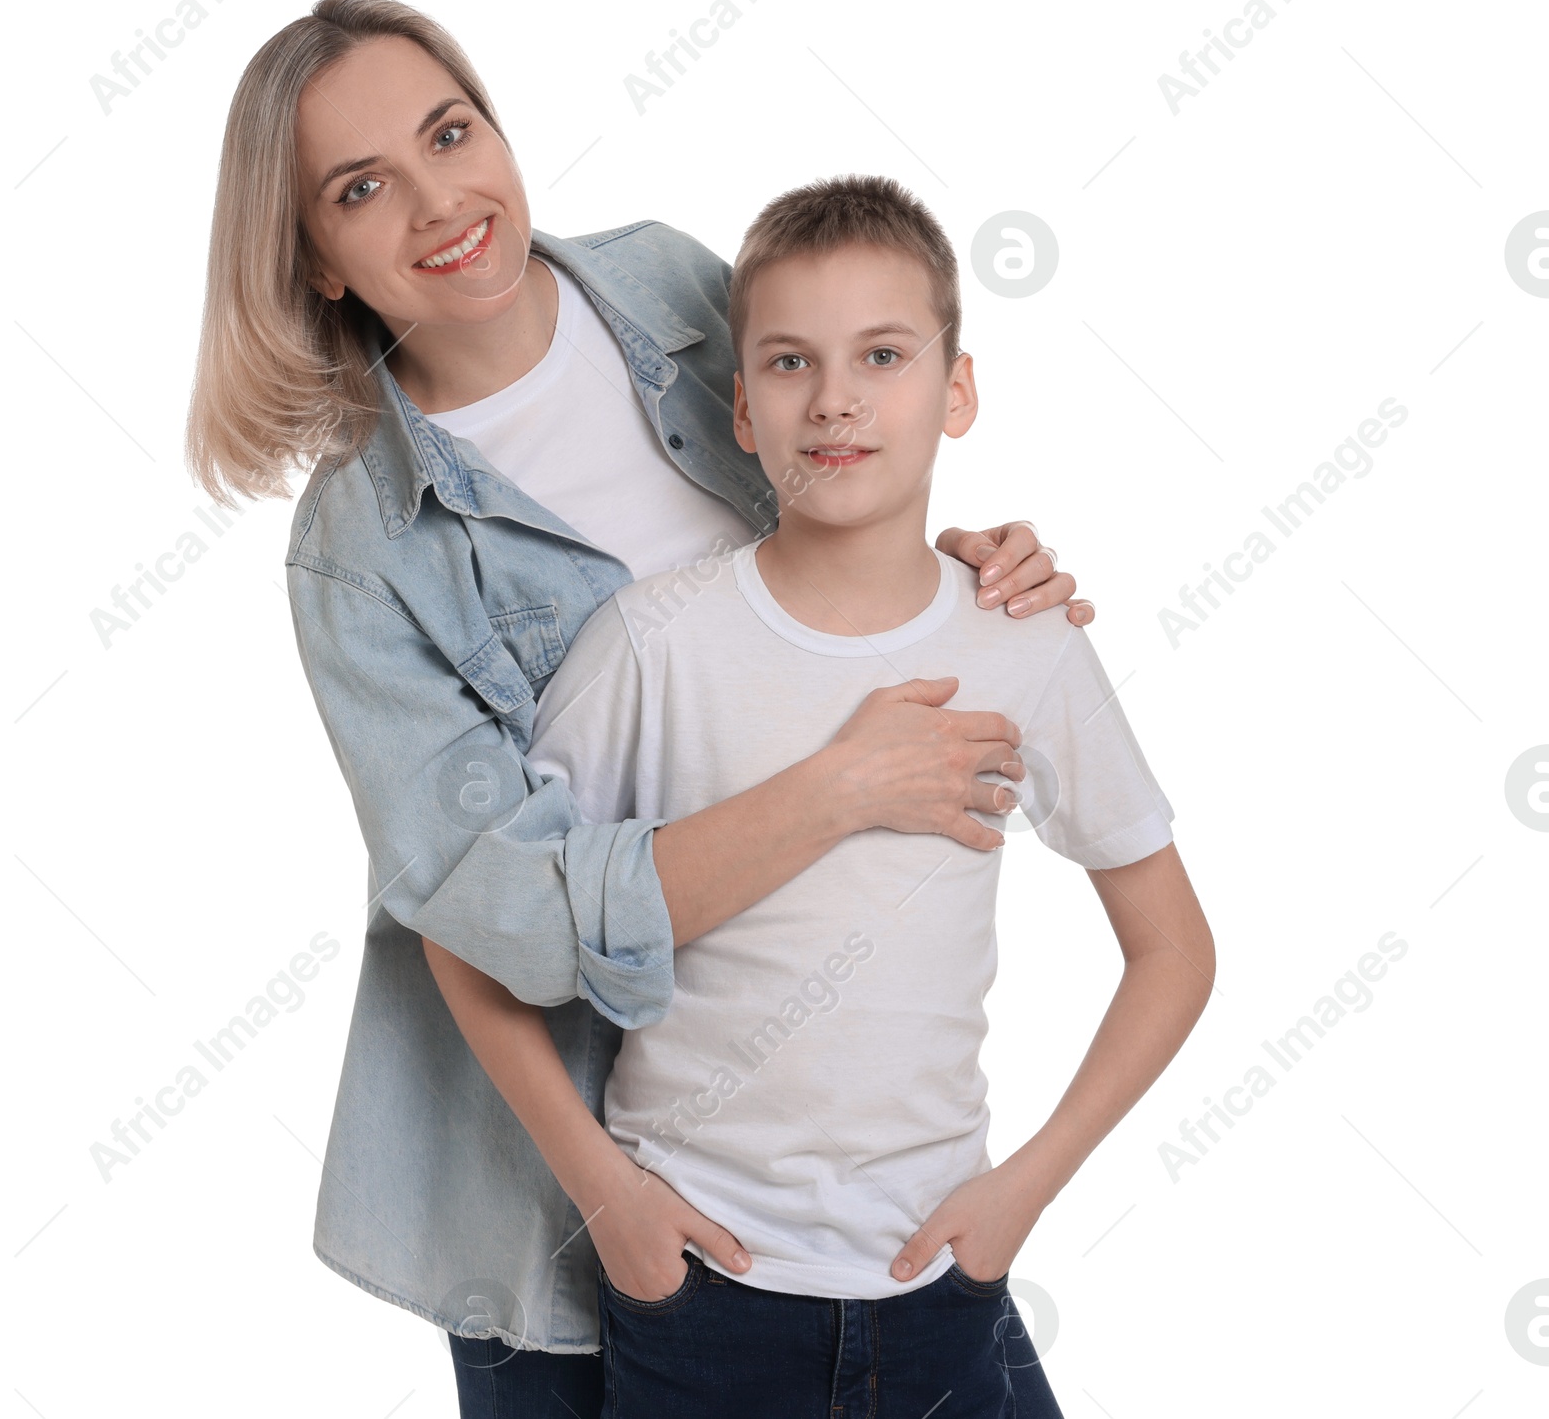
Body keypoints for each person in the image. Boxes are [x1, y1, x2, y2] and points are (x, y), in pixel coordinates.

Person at [186, 0, 1098, 1419]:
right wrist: (612, 1199)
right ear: (314, 256)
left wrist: (965, 566)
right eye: (363, 189)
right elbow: (497, 912)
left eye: (450, 131)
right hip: (562, 1192)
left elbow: (837, 491)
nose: (441, 203)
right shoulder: (362, 549)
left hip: (839, 1152)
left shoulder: (671, 285)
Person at [436, 174, 1215, 1417]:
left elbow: (1171, 948)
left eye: (884, 355)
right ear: (741, 409)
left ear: (956, 391)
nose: (837, 399)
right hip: (696, 1297)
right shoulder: (655, 648)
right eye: (791, 363)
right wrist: (613, 1204)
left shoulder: (1026, 643)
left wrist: (1024, 1188)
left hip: (942, 1284)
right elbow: (475, 930)